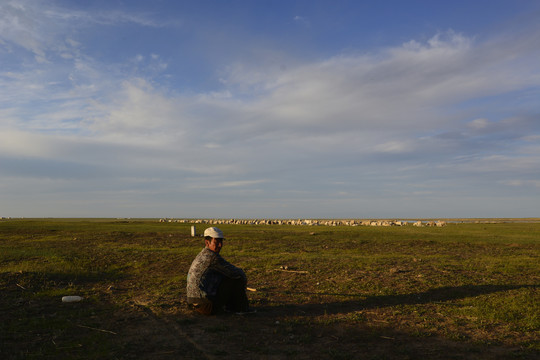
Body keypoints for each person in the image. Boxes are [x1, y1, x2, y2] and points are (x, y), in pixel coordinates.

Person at [186, 227, 252, 315]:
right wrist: (243, 281)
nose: (220, 245)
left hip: (192, 302)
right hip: (205, 306)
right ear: (207, 242)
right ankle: (240, 309)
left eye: (221, 242)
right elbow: (236, 273)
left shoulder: (202, 255)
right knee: (236, 279)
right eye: (217, 242)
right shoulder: (213, 257)